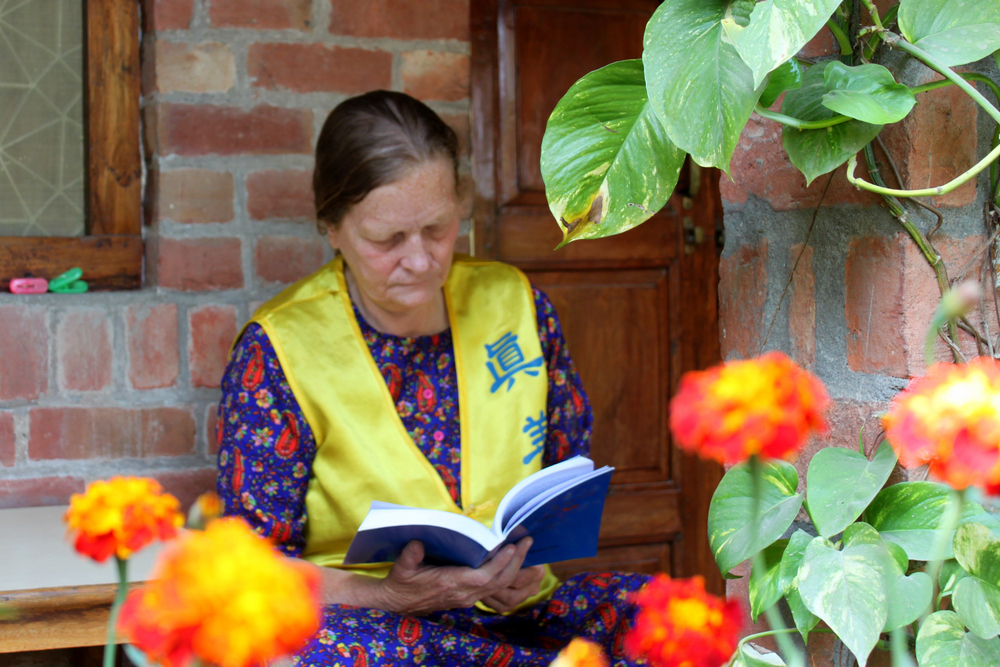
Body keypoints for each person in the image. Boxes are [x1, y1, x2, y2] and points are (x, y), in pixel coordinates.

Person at [215, 90, 650, 667]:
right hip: (375, 628)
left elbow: (564, 481)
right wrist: (389, 595)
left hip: (516, 615)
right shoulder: (278, 350)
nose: (420, 260)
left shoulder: (514, 303)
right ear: (332, 227)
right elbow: (251, 571)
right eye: (387, 240)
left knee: (657, 615)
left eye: (438, 229)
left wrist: (529, 566)